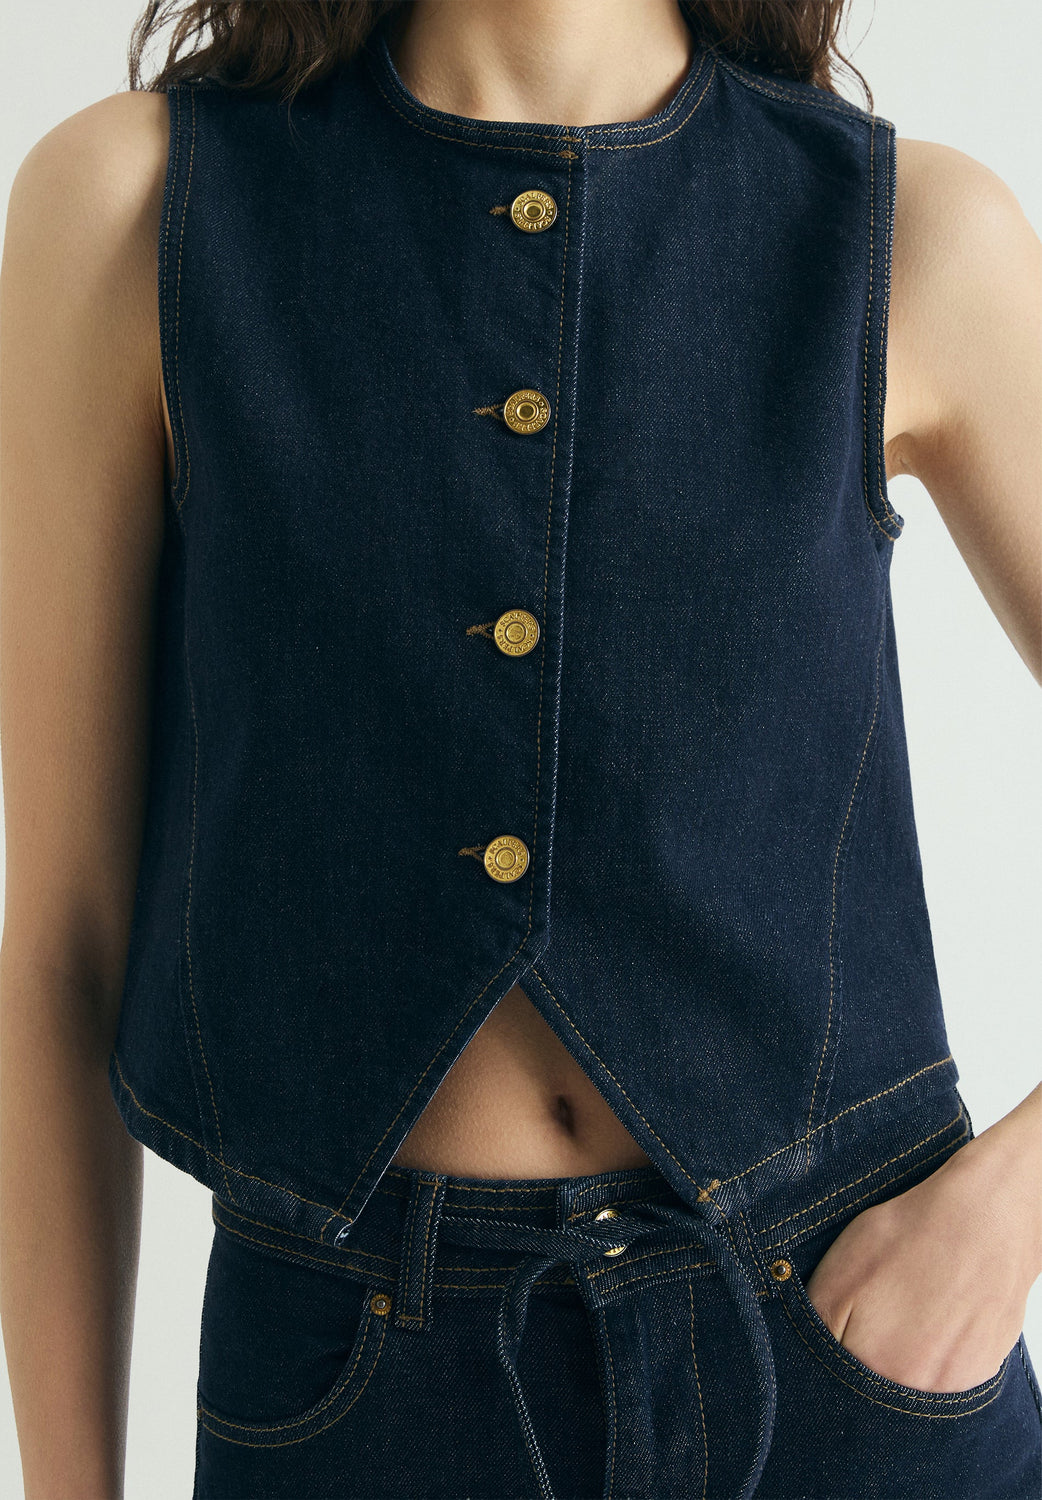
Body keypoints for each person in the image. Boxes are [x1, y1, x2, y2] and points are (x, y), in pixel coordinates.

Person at [1, 1, 1040, 1496]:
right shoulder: (140, 207)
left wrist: (1007, 1211)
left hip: (847, 1354)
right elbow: (63, 945)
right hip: (352, 1396)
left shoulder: (903, 230)